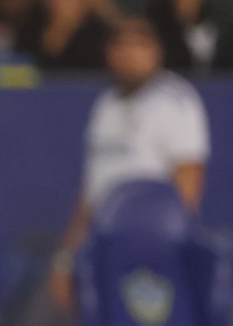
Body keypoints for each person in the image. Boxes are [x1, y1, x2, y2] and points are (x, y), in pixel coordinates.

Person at [49, 16, 209, 309]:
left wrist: (166, 254)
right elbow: (91, 191)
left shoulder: (174, 100)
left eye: (139, 43)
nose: (128, 52)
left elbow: (188, 189)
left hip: (152, 253)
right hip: (103, 250)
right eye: (120, 44)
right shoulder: (105, 104)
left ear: (156, 51)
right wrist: (66, 259)